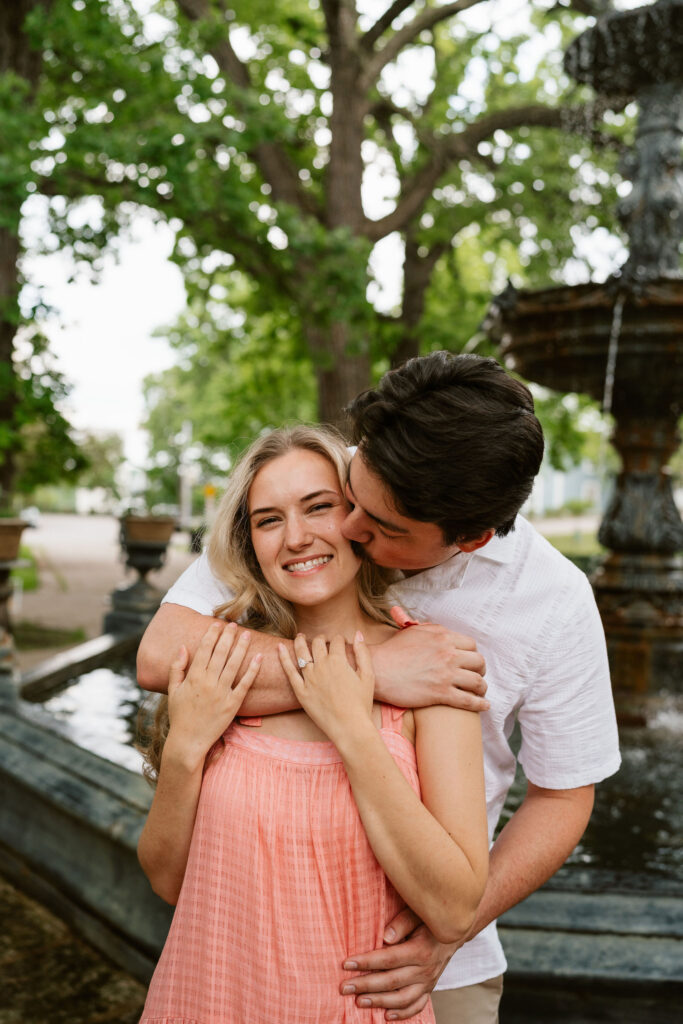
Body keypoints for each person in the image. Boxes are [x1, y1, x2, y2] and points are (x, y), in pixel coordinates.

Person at [137, 352, 621, 1023]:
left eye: (382, 527)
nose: (348, 529)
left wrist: (445, 932)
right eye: (353, 497)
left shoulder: (550, 603)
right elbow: (161, 657)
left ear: (470, 538)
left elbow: (564, 794)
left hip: (407, 965)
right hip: (235, 956)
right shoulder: (314, 499)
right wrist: (373, 673)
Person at [137, 425, 489, 1024]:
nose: (297, 537)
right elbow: (167, 880)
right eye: (269, 520)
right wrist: (185, 750)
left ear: (360, 519)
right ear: (251, 544)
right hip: (210, 1000)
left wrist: (354, 730)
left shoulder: (431, 671)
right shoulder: (226, 666)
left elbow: (455, 910)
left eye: (319, 507)